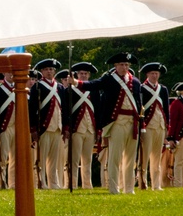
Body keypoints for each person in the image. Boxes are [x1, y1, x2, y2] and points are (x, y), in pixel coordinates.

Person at [72, 52, 141, 194]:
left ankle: (129, 188)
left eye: (127, 65)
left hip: (132, 122)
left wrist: (141, 124)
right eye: (121, 64)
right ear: (115, 65)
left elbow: (139, 105)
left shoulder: (135, 82)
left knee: (130, 158)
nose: (124, 67)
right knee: (115, 157)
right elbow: (94, 84)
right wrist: (77, 83)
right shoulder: (109, 79)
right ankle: (114, 188)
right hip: (117, 122)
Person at [29, 58, 68, 190]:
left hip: (57, 127)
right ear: (42, 71)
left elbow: (65, 109)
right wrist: (33, 129)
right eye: (46, 69)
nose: (49, 72)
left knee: (54, 159)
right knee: (41, 158)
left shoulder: (60, 88)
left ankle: (54, 183)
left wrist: (66, 127)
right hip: (44, 127)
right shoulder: (37, 87)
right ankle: (41, 182)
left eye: (51, 69)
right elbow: (32, 109)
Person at [139, 62, 169, 190]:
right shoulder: (141, 88)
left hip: (160, 125)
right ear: (147, 74)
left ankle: (156, 185)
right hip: (148, 125)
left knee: (157, 156)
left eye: (156, 73)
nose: (155, 76)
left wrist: (168, 127)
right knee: (144, 156)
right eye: (152, 73)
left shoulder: (163, 89)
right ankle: (142, 182)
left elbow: (166, 109)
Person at [67, 62, 98, 189]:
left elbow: (98, 109)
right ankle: (73, 183)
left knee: (87, 159)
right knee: (74, 159)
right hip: (77, 128)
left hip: (90, 128)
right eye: (81, 73)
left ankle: (87, 184)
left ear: (89, 75)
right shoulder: (70, 90)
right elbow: (67, 110)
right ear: (76, 75)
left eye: (85, 74)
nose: (83, 75)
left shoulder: (93, 90)